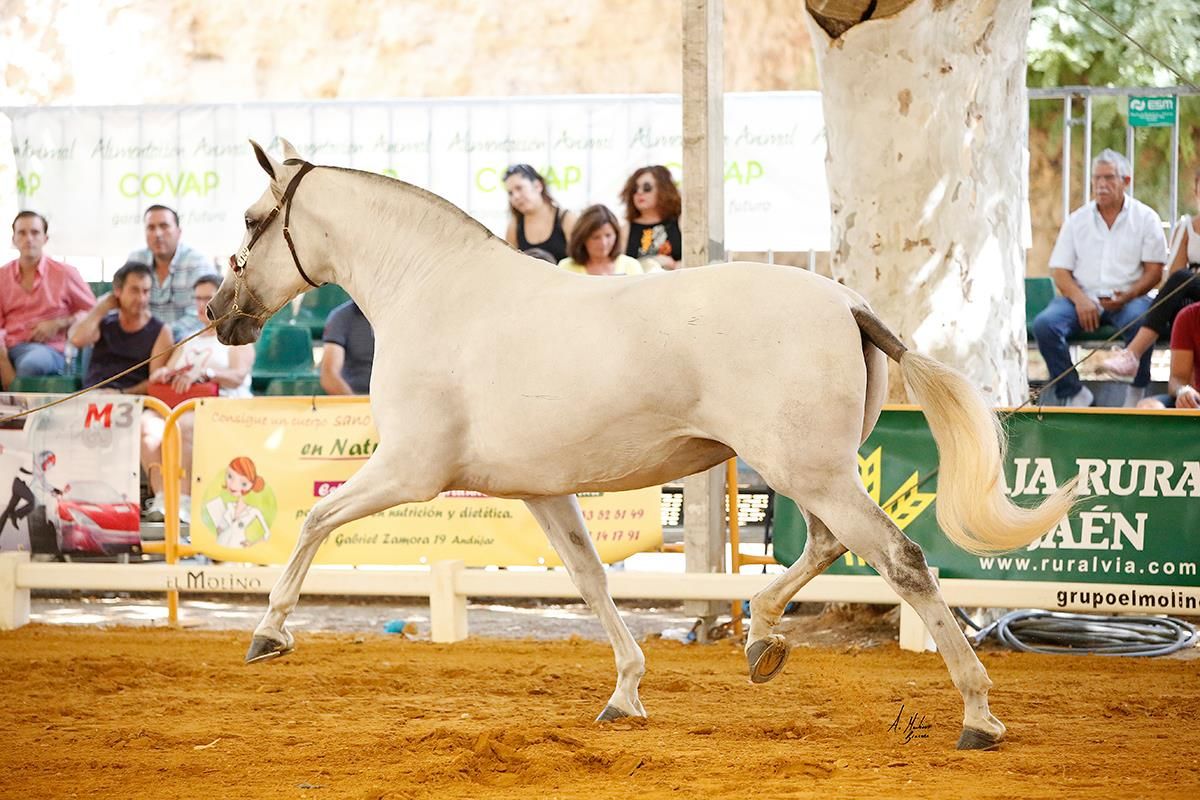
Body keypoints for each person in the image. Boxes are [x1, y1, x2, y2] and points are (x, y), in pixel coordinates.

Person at [1032, 149, 1167, 407]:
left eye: (1108, 178)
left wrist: (1129, 295)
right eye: (1097, 179)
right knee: (1045, 325)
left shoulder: (1146, 218)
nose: (1101, 185)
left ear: (1126, 181)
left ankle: (1136, 394)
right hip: (1081, 298)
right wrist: (1081, 300)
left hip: (1130, 298)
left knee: (1144, 322)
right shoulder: (1077, 220)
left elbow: (1154, 272)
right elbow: (1060, 271)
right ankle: (1073, 392)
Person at [68, 261, 174, 519]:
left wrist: (123, 396)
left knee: (153, 431)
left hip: (136, 403)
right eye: (135, 290)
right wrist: (103, 306)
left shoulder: (160, 331)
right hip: (93, 401)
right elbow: (76, 339)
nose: (142, 298)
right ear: (119, 292)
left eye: (147, 291)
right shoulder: (104, 323)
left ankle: (163, 504)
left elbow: (155, 382)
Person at [147, 276, 256, 521]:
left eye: (208, 298)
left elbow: (238, 376)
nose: (202, 305)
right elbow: (165, 371)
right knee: (148, 425)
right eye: (197, 299)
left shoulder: (236, 337)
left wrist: (206, 374)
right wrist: (165, 373)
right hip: (181, 405)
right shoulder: (189, 340)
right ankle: (163, 498)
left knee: (184, 424)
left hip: (221, 408)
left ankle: (183, 501)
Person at [1102, 168, 1200, 378]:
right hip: (1192, 299)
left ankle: (1133, 354)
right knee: (1179, 286)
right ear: (1196, 191)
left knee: (1183, 279)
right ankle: (1136, 361)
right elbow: (1173, 276)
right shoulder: (1187, 227)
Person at [0, 211, 96, 388]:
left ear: (45, 238)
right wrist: (2, 355)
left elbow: (94, 313)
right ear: (13, 239)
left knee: (31, 364)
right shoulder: (2, 276)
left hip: (49, 350)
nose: (29, 238)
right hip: (7, 345)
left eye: (35, 232)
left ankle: (17, 408)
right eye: (22, 233)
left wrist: (60, 323)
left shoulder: (65, 273)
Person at [126, 205, 219, 341]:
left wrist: (160, 337)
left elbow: (202, 316)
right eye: (151, 228)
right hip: (141, 341)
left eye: (164, 226)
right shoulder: (136, 261)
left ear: (179, 232)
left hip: (185, 343)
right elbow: (124, 304)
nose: (157, 234)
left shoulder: (197, 263)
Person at [503, 164, 577, 263]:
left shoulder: (566, 219)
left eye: (519, 188)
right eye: (510, 193)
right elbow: (510, 265)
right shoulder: (514, 226)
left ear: (538, 186)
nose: (515, 196)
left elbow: (579, 263)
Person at [1136, 301, 1200, 410]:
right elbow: (1178, 379)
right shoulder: (1189, 315)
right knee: (1147, 407)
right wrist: (1184, 391)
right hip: (1196, 403)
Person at [619, 165, 683, 271]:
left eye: (647, 188)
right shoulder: (626, 229)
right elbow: (619, 268)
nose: (639, 192)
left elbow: (696, 259)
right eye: (635, 189)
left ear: (663, 189)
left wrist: (675, 265)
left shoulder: (680, 222)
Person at [558, 204, 650, 276]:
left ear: (616, 235)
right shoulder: (566, 268)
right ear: (582, 238)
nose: (603, 243)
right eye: (595, 237)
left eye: (608, 235)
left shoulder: (631, 265)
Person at [206, 456, 271, 548]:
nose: (233, 485)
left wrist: (252, 544)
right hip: (222, 545)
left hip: (239, 547)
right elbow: (220, 528)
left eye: (243, 483)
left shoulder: (253, 511)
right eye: (230, 476)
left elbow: (267, 533)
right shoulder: (229, 506)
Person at [320, 300, 375, 395]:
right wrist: (356, 405)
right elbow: (329, 376)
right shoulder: (341, 317)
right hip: (355, 399)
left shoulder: (399, 315)